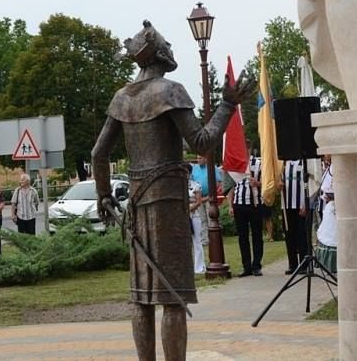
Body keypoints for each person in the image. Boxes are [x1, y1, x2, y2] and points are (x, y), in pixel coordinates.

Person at [91, 20, 254, 360]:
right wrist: (227, 105)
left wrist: (104, 194)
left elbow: (98, 154)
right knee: (173, 296)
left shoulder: (121, 98)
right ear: (162, 54)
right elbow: (202, 142)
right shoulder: (170, 91)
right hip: (167, 203)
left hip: (137, 204)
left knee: (142, 296)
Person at [229, 154, 264, 277]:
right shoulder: (236, 163)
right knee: (242, 237)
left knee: (257, 235)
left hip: (255, 203)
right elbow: (232, 186)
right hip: (239, 203)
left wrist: (258, 183)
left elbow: (267, 182)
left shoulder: (259, 163)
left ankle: (256, 265)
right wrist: (230, 205)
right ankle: (246, 266)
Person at [280, 159, 309, 275]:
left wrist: (306, 204)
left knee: (302, 235)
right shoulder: (283, 165)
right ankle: (292, 264)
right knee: (289, 235)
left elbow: (309, 184)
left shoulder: (303, 162)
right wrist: (279, 185)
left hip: (300, 205)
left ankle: (304, 263)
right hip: (287, 206)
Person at [191, 155, 219, 247]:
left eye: (200, 158)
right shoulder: (194, 169)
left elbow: (218, 183)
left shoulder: (212, 167)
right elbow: (191, 182)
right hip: (198, 198)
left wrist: (209, 196)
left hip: (209, 197)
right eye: (197, 158)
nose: (198, 160)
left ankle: (214, 238)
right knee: (202, 219)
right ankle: (204, 239)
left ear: (206, 159)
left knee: (210, 217)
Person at [315, 157, 337, 275]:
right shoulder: (329, 168)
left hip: (336, 206)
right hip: (328, 206)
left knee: (333, 235)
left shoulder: (336, 167)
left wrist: (331, 195)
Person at [187, 174, 205, 274]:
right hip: (183, 216)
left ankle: (199, 267)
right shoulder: (179, 186)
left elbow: (198, 201)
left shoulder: (196, 185)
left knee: (197, 240)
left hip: (194, 216)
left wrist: (188, 208)